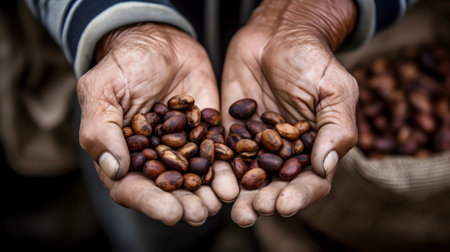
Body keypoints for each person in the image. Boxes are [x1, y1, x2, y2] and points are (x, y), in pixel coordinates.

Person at [20, 0, 420, 251]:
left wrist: (311, 11)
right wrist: (121, 26)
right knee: (149, 226)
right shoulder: (174, 132)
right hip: (139, 78)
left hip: (283, 67)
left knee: (260, 209)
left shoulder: (242, 135)